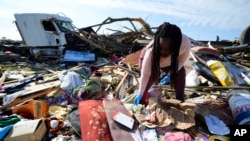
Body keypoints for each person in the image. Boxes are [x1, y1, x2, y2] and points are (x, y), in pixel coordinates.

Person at [134, 22, 191, 105]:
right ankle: (141, 101)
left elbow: (181, 61)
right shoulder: (151, 51)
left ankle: (180, 99)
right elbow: (145, 74)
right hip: (153, 60)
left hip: (170, 62)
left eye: (168, 49)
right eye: (161, 48)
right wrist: (140, 93)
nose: (163, 52)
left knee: (180, 73)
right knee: (148, 80)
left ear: (176, 46)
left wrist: (170, 74)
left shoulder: (185, 44)